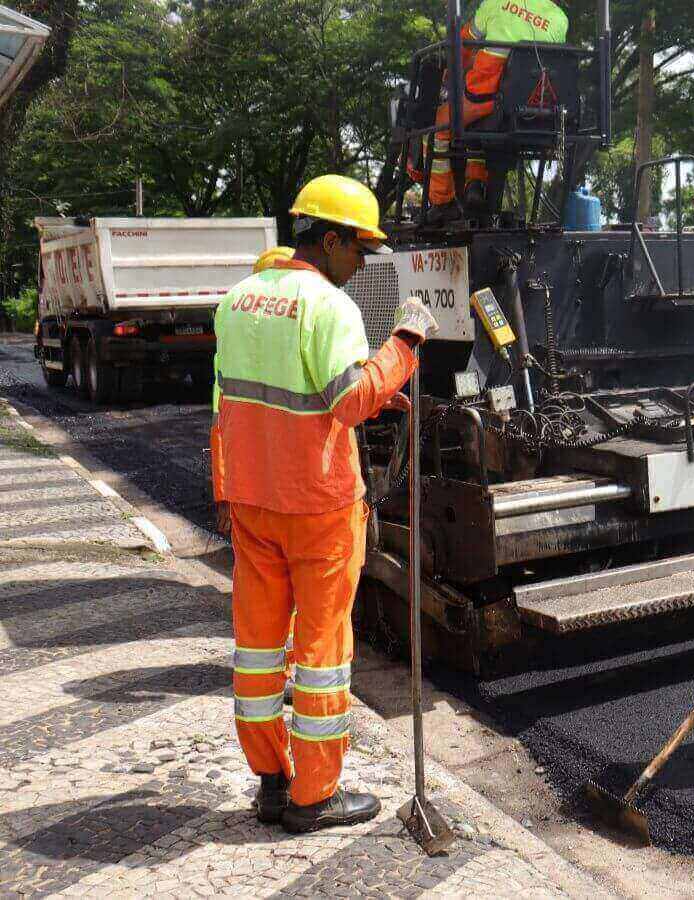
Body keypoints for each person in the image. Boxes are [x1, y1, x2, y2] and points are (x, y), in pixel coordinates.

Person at [212, 174, 438, 833]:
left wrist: (223, 490)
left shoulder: (239, 298)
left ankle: (271, 783)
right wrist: (405, 346)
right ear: (331, 239)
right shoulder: (330, 307)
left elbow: (234, 404)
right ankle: (315, 797)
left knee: (257, 646)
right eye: (360, 249)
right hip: (318, 506)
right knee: (320, 650)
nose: (364, 263)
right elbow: (348, 403)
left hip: (253, 500)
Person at [409, 0, 569, 221]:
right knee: (478, 127)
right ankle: (475, 186)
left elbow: (464, 42)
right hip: (530, 108)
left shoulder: (496, 2)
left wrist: (452, 69)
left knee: (438, 127)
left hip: (486, 97)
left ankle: (442, 203)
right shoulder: (560, 19)